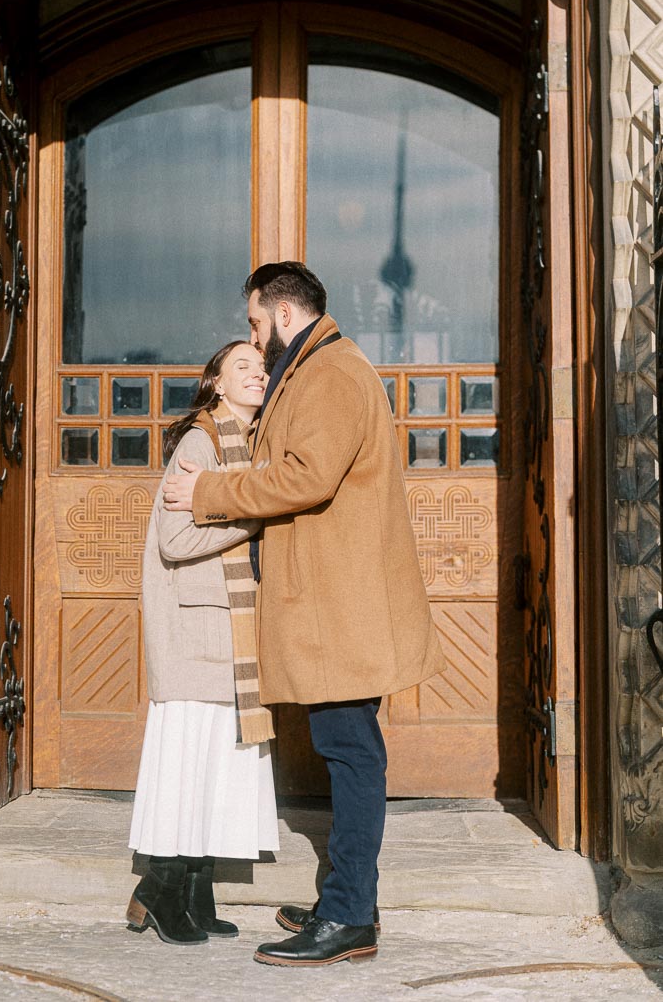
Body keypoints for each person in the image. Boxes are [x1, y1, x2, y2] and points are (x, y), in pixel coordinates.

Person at [163, 262, 446, 968]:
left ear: (284, 314)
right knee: (347, 751)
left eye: (257, 324)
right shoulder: (317, 367)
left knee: (351, 755)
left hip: (342, 608)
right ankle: (350, 900)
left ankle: (350, 916)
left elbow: (306, 476)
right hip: (333, 605)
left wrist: (208, 491)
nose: (255, 342)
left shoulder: (330, 372)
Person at [126, 340, 279, 947]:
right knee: (191, 760)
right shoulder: (201, 441)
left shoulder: (246, 443)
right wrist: (256, 513)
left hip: (226, 627)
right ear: (215, 383)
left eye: (262, 365)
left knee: (219, 762)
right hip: (197, 629)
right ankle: (162, 894)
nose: (258, 372)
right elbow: (175, 542)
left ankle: (195, 893)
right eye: (242, 365)